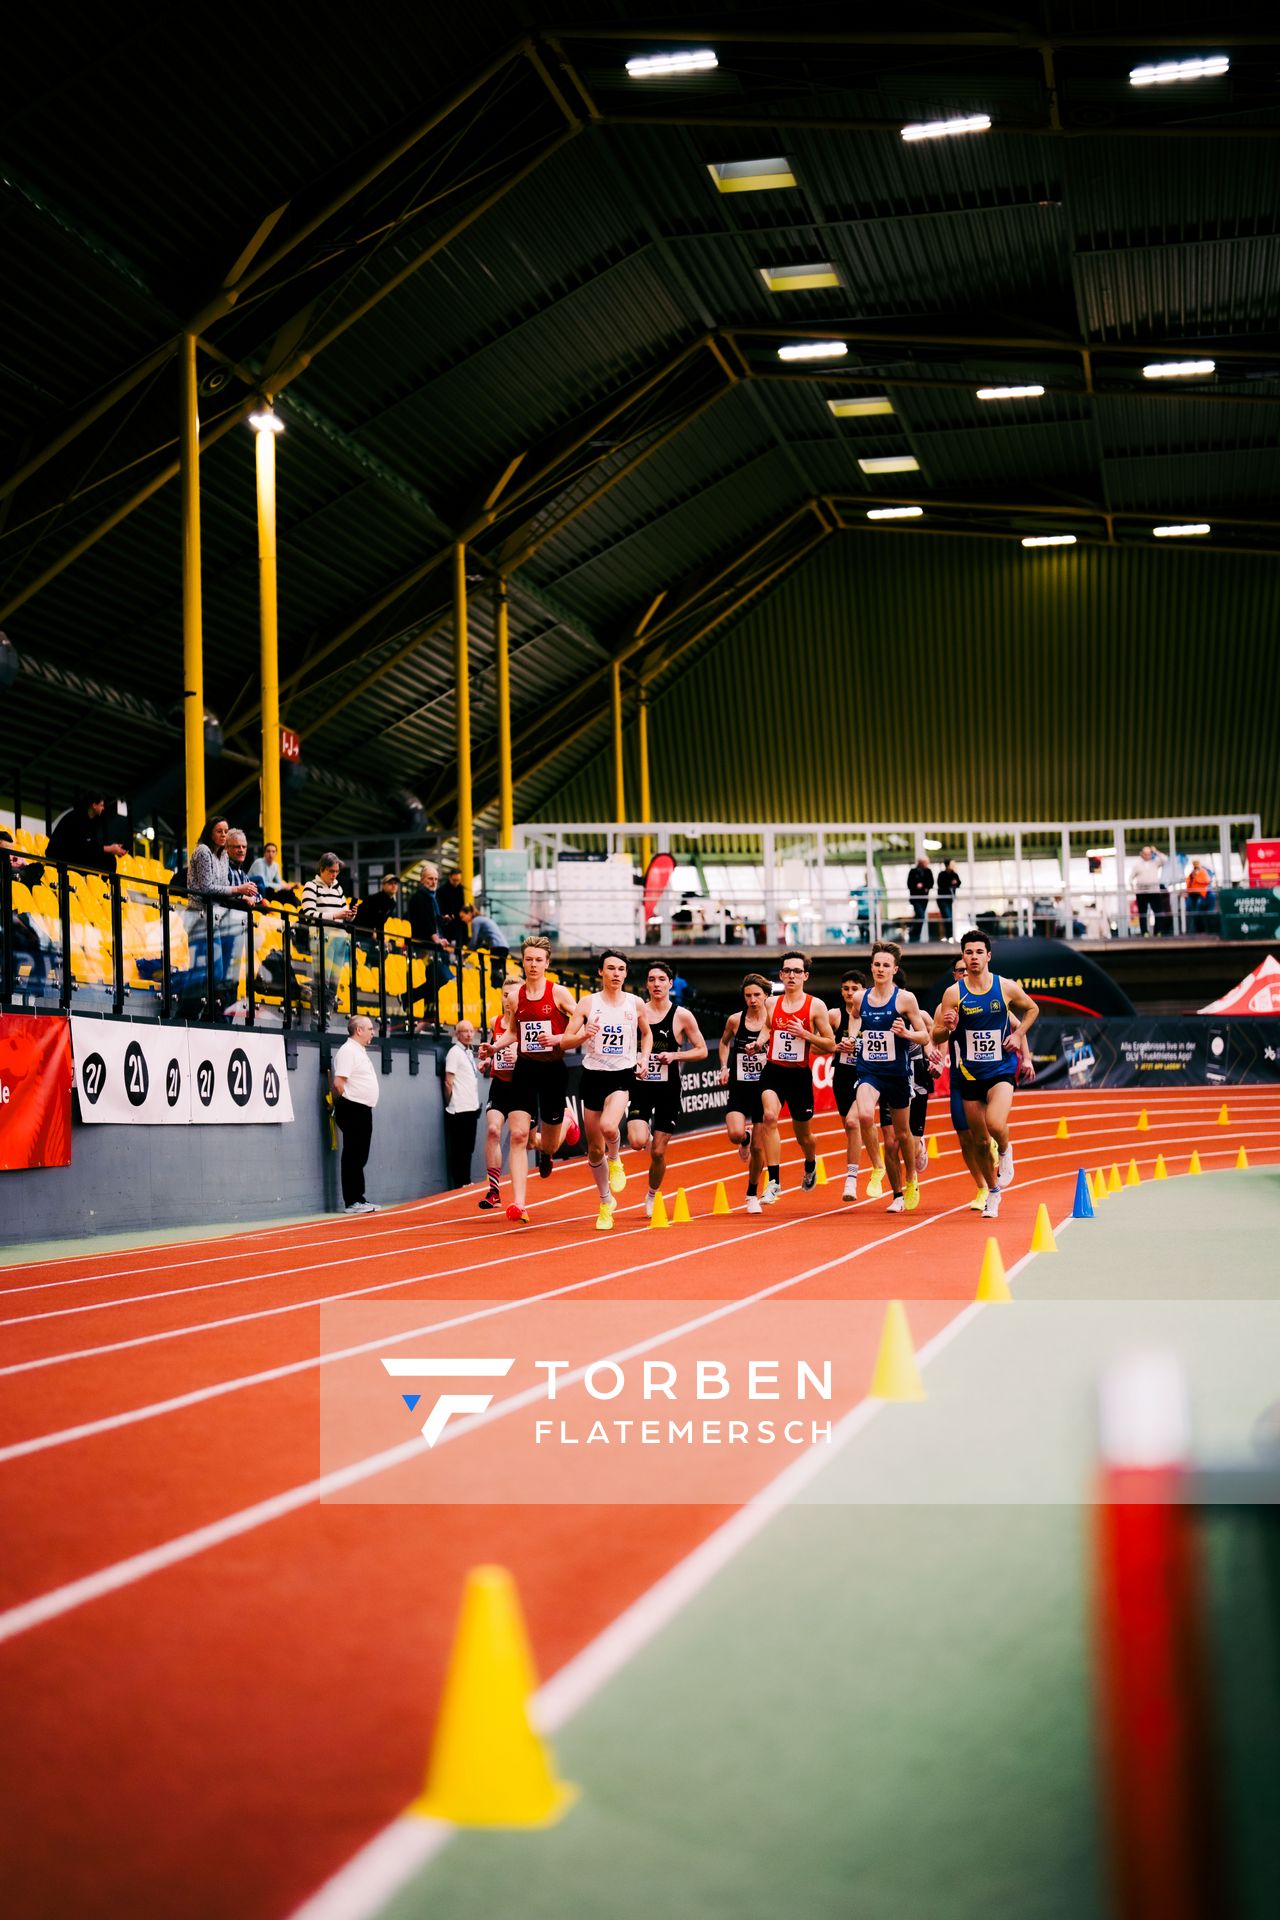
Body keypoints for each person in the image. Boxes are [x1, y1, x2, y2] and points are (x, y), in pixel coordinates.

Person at [932, 929, 1039, 1222]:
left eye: (979, 952)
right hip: (968, 1074)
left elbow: (1032, 1008)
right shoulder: (953, 994)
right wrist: (948, 1025)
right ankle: (993, 1191)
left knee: (994, 1123)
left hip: (1001, 1069)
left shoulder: (1004, 987)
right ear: (963, 957)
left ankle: (1005, 1150)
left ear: (988, 956)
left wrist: (1018, 1035)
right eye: (969, 952)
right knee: (978, 1141)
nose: (974, 957)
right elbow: (936, 1033)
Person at [560, 951, 652, 1230]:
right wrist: (583, 1035)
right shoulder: (588, 1003)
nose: (615, 973)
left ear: (626, 973)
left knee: (610, 1126)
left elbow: (646, 1034)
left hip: (622, 1075)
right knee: (593, 1150)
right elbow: (564, 1041)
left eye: (621, 969)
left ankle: (616, 1160)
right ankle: (605, 1203)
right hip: (592, 1076)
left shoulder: (635, 1004)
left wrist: (644, 1057)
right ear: (600, 972)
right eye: (610, 968)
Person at [492, 934, 578, 1224]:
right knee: (518, 1135)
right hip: (525, 1069)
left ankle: (566, 1122)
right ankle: (519, 1203)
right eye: (528, 959)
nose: (533, 965)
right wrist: (494, 1047)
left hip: (553, 1070)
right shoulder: (516, 997)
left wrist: (558, 1037)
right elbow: (514, 1033)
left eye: (538, 960)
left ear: (547, 963)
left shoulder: (559, 994)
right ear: (523, 961)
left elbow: (581, 1026)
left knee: (549, 1145)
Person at [846, 941, 932, 1213]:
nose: (880, 969)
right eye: (876, 964)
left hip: (897, 1074)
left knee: (901, 1136)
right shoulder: (860, 997)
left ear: (895, 969)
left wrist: (906, 1034)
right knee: (863, 1116)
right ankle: (891, 1187)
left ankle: (910, 1179)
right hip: (869, 1071)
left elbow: (924, 1035)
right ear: (871, 967)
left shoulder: (905, 999)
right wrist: (853, 1038)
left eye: (885, 965)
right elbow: (855, 1017)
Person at [626, 959, 708, 1218]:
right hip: (641, 1086)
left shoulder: (682, 1015)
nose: (656, 984)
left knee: (659, 1152)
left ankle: (651, 1194)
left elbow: (702, 1050)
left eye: (661, 979)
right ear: (646, 985)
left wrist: (675, 1056)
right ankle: (645, 1132)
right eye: (651, 980)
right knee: (638, 1141)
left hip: (668, 1089)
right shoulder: (637, 1013)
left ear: (670, 984)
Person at [758, 951, 836, 1204]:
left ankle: (811, 1162)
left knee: (804, 1135)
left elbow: (830, 1044)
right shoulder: (771, 1003)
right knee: (769, 1116)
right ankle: (774, 1181)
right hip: (773, 1070)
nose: (791, 975)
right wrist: (759, 1042)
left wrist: (806, 1035)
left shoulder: (816, 1006)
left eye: (797, 971)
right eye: (787, 971)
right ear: (781, 975)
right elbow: (768, 1027)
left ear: (806, 976)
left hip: (799, 1075)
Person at [185, 818, 259, 1010]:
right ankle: (185, 1012)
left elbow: (224, 886)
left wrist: (241, 895)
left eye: (226, 831)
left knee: (216, 972)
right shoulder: (203, 852)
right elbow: (206, 888)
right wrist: (238, 890)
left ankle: (196, 1011)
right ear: (209, 832)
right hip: (198, 915)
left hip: (214, 917)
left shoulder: (223, 856)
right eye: (219, 831)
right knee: (205, 970)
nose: (223, 835)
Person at [718, 973, 773, 1214]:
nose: (752, 1000)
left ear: (766, 996)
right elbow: (723, 1043)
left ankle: (752, 1194)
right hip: (740, 1086)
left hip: (765, 1089)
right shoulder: (735, 1020)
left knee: (760, 1150)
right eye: (748, 995)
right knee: (735, 1133)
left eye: (757, 995)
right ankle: (744, 1140)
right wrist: (723, 1067)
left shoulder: (773, 1020)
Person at [476, 980, 522, 1211]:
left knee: (529, 1140)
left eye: (512, 995)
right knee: (493, 1130)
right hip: (500, 1084)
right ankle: (494, 1190)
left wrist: (521, 1060)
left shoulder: (528, 1022)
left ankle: (566, 1124)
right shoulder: (495, 1021)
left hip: (523, 1085)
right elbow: (494, 1047)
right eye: (505, 995)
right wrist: (486, 1060)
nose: (508, 1000)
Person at [330, 1014, 379, 1214]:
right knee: (353, 1155)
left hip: (362, 1108)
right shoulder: (348, 1051)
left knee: (359, 1154)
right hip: (353, 1108)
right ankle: (352, 1200)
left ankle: (358, 1198)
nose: (372, 1032)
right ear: (359, 1030)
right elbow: (338, 1082)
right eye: (369, 1028)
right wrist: (345, 1102)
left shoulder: (357, 1050)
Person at [301, 853, 357, 1015]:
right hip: (321, 938)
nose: (334, 875)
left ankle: (326, 1021)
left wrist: (350, 914)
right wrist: (335, 916)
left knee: (333, 985)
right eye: (331, 871)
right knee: (322, 983)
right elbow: (309, 915)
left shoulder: (338, 888)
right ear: (322, 869)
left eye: (337, 872)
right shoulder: (311, 886)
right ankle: (317, 1022)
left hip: (339, 939)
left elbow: (345, 914)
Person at [829, 968, 865, 1202]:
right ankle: (869, 1154)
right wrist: (835, 1047)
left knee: (853, 1123)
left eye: (855, 989)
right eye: (846, 989)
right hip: (842, 1077)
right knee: (850, 1127)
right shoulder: (833, 1016)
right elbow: (815, 1045)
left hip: (867, 1075)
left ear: (863, 991)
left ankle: (851, 1179)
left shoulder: (872, 1013)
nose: (850, 993)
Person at [0, 828, 46, 990]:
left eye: (12, 853)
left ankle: (33, 994)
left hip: (13, 915)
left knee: (41, 943)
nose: (10, 857)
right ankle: (6, 989)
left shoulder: (14, 870)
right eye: (5, 851)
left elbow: (38, 868)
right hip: (4, 918)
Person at [442, 1019, 482, 1189]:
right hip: (459, 1108)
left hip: (471, 1107)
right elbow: (448, 1082)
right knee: (460, 1149)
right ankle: (460, 1182)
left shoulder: (467, 1052)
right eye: (465, 1031)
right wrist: (450, 1103)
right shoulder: (454, 1053)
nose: (469, 1034)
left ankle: (465, 1179)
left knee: (468, 1147)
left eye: (471, 1031)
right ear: (457, 1034)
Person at [45, 796, 127, 875]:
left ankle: (103, 886)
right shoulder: (75, 817)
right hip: (61, 857)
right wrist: (110, 849)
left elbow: (93, 845)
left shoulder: (91, 822)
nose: (103, 808)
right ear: (94, 805)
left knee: (109, 860)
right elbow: (81, 846)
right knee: (101, 860)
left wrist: (113, 849)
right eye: (101, 805)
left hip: (74, 856)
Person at [458, 901, 510, 987]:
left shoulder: (476, 921)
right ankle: (503, 993)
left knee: (496, 975)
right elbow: (478, 942)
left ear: (470, 913)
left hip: (497, 947)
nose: (463, 920)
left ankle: (500, 993)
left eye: (463, 917)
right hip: (504, 946)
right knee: (499, 972)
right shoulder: (482, 919)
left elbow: (473, 941)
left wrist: (464, 955)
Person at [1129, 845, 1169, 937]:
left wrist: (1156, 851)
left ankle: (1158, 931)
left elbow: (1165, 860)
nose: (1147, 856)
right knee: (1143, 913)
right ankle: (1144, 932)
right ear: (1142, 854)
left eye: (1149, 853)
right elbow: (1130, 878)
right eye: (1145, 854)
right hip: (1141, 893)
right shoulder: (1137, 865)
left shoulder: (1155, 862)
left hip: (1154, 891)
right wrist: (1133, 889)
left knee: (1158, 911)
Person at [906, 853, 933, 942]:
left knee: (919, 917)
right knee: (920, 916)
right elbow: (909, 883)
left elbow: (931, 883)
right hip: (915, 898)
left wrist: (924, 886)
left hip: (924, 898)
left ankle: (914, 933)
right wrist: (916, 886)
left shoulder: (928, 871)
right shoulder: (913, 871)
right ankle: (914, 934)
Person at [437, 867, 466, 943]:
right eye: (454, 880)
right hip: (446, 924)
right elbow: (440, 908)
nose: (456, 882)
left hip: (458, 923)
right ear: (450, 877)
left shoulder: (460, 888)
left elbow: (461, 906)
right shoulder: (442, 890)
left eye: (458, 880)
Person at [1184, 859, 1213, 934]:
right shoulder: (1191, 874)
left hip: (1200, 895)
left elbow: (1207, 881)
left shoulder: (1203, 872)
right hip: (1192, 895)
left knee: (1198, 912)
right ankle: (1194, 930)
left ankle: (1201, 930)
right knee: (1193, 913)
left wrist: (1196, 876)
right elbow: (1188, 883)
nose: (1195, 865)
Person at [936, 859, 961, 940]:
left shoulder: (954, 874)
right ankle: (949, 935)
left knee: (950, 917)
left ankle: (950, 935)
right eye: (952, 864)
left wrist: (955, 883)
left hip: (951, 900)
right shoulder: (942, 874)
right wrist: (951, 883)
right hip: (943, 900)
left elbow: (959, 883)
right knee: (948, 917)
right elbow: (941, 885)